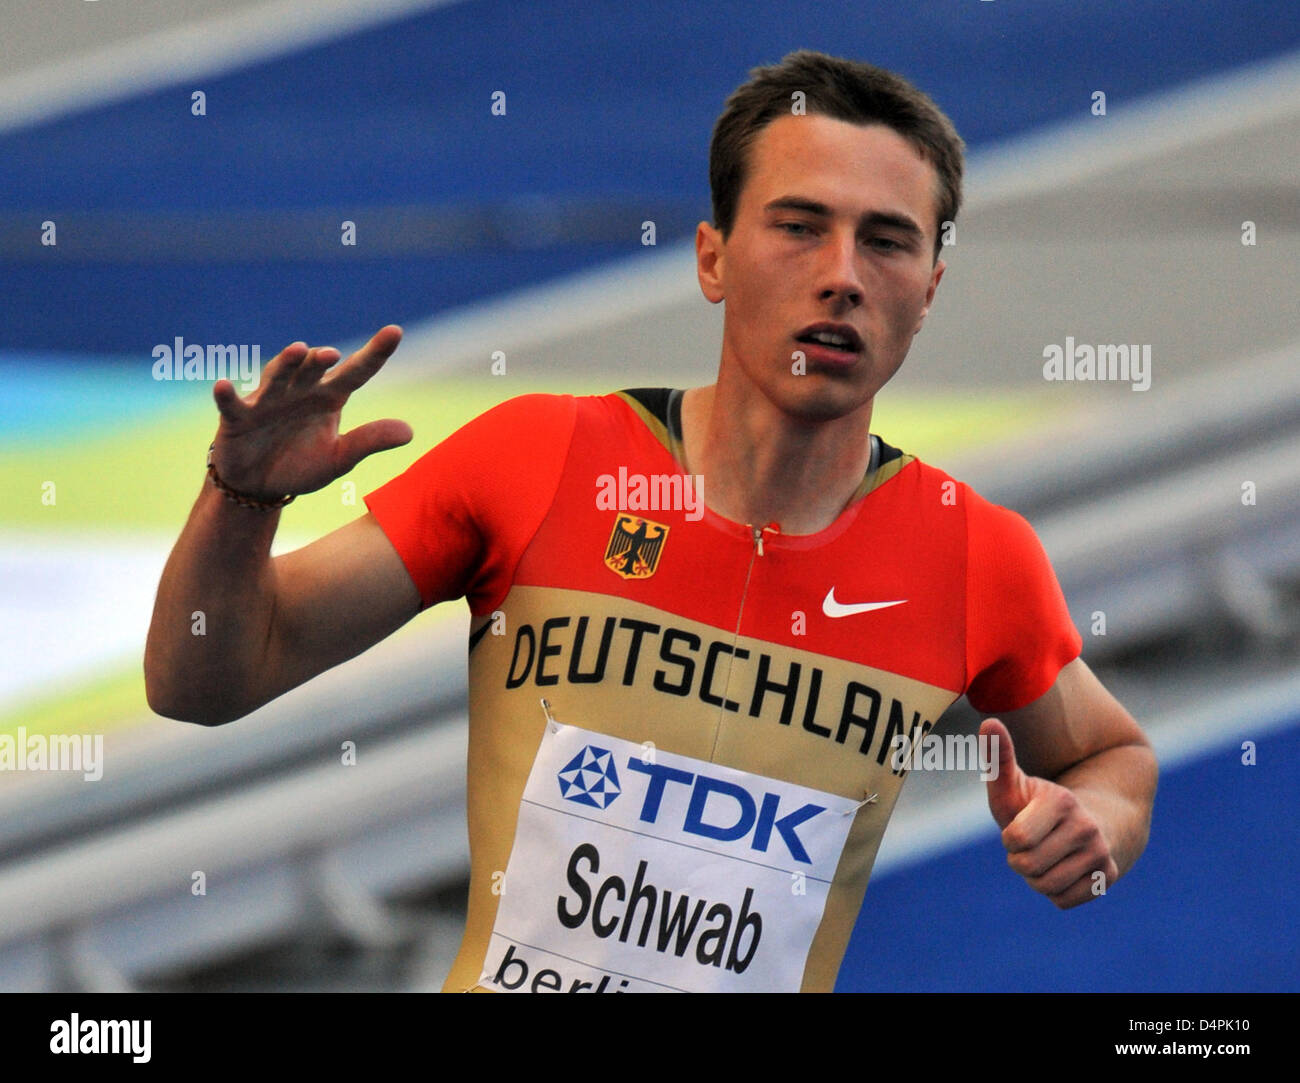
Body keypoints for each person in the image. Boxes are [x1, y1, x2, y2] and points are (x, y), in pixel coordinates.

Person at [145, 50, 1157, 993]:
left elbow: (1111, 757)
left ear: (929, 289)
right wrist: (242, 501)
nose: (842, 273)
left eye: (887, 240)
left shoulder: (968, 553)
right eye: (799, 225)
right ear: (712, 259)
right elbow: (203, 683)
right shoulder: (541, 460)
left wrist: (1098, 826)